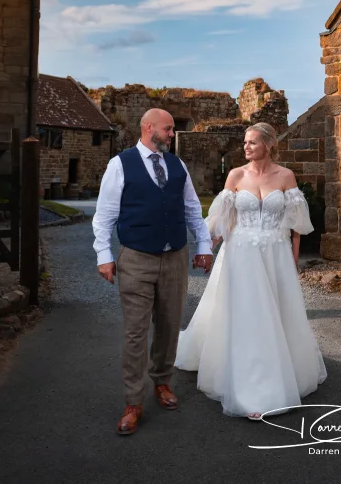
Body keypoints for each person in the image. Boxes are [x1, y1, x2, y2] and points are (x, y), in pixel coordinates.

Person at [175, 122, 327, 420]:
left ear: (268, 145)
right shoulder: (235, 175)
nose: (246, 147)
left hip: (275, 255)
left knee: (277, 312)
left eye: (253, 142)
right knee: (246, 315)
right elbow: (222, 220)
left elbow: (297, 227)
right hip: (240, 255)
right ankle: (249, 385)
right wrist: (207, 248)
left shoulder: (286, 176)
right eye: (245, 142)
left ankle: (282, 372)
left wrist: (292, 262)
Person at [91, 108, 214, 436]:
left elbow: (192, 209)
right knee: (135, 331)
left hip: (175, 256)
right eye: (169, 129)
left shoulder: (178, 165)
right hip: (136, 258)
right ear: (149, 128)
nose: (173, 134)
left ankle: (162, 381)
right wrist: (104, 255)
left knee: (170, 324)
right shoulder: (120, 164)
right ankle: (133, 401)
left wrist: (203, 246)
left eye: (173, 129)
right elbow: (104, 215)